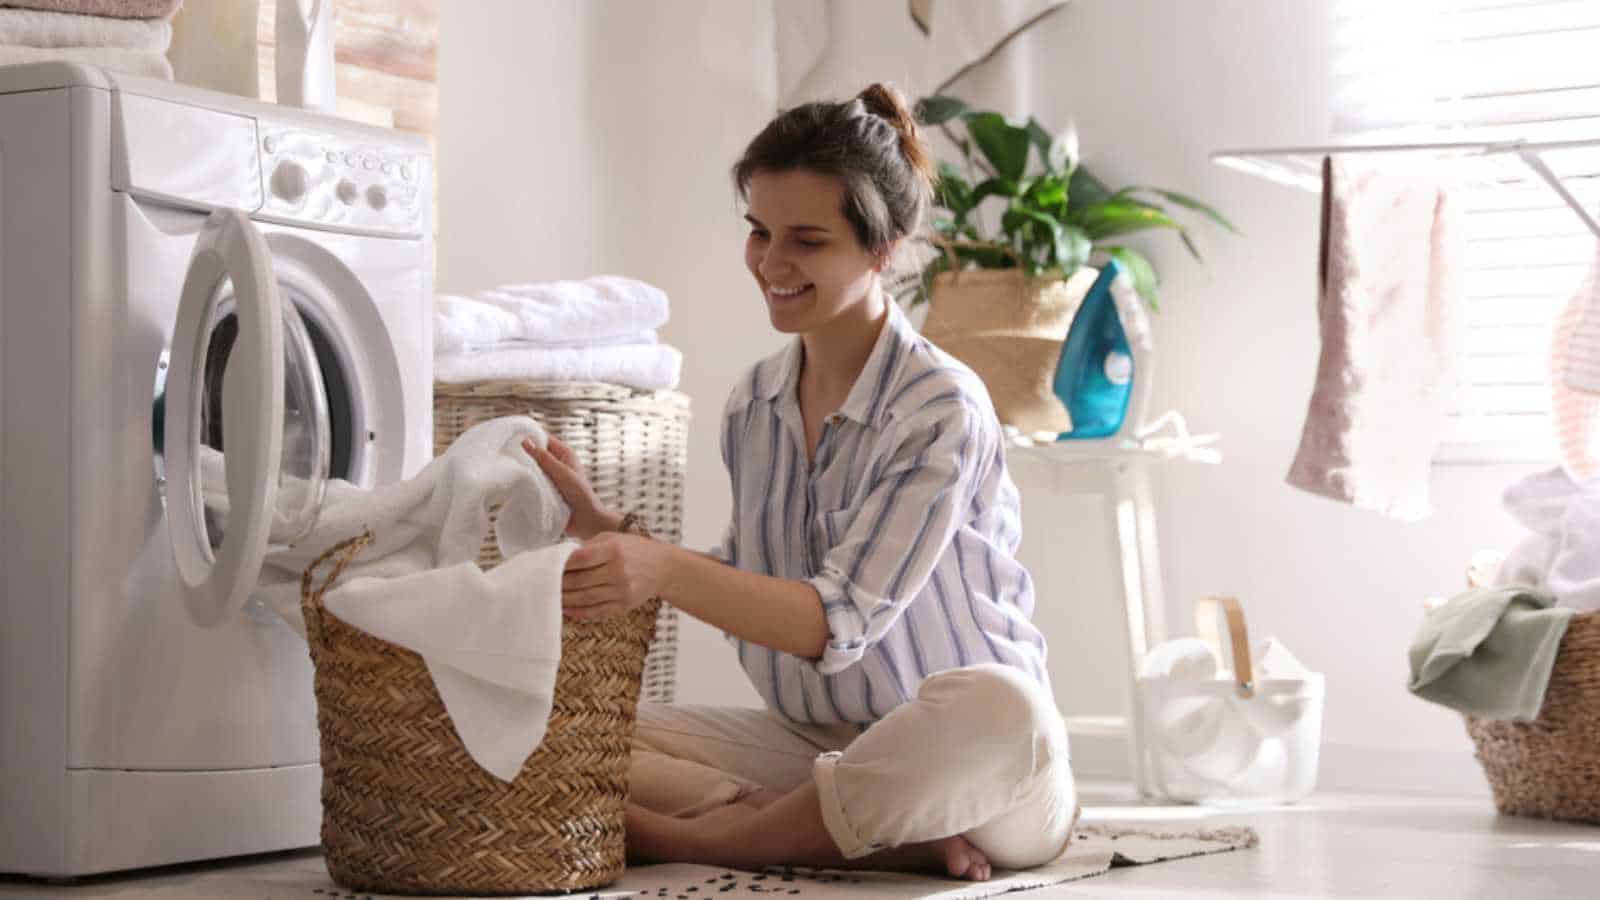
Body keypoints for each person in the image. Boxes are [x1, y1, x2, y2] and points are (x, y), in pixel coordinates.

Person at [525, 82, 1076, 883]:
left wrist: (662, 569)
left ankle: (722, 838)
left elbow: (836, 621)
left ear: (883, 249)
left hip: (984, 764)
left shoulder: (939, 408)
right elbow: (752, 584)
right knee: (566, 727)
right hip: (820, 748)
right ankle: (862, 832)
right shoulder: (754, 402)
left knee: (1005, 711)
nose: (771, 264)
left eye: (807, 241)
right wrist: (609, 532)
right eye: (759, 232)